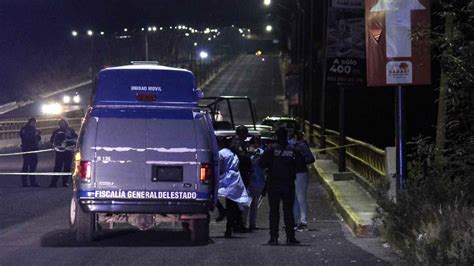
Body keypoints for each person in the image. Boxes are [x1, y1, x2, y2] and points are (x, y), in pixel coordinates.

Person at [261, 126, 304, 245]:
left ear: (276, 136)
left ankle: (273, 238)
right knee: (288, 211)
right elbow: (300, 165)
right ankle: (290, 237)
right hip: (288, 184)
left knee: (274, 211)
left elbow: (262, 163)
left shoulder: (270, 149)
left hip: (273, 183)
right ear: (286, 136)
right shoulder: (293, 150)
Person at [217, 136, 251, 238]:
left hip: (227, 179)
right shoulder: (233, 153)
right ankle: (230, 227)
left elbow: (219, 167)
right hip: (235, 179)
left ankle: (222, 211)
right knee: (232, 205)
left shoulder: (221, 153)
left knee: (211, 194)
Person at [290, 130, 315, 232]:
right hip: (294, 174)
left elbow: (311, 159)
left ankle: (303, 221)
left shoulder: (301, 146)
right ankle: (295, 221)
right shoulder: (296, 146)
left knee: (300, 198)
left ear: (295, 137)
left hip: (300, 173)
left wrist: (299, 161)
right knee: (295, 199)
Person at [49, 118, 77, 187]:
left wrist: (69, 142)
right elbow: (52, 140)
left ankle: (64, 182)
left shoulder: (71, 131)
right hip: (60, 152)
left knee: (67, 167)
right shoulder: (56, 131)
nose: (62, 124)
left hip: (68, 152)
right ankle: (54, 182)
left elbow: (76, 139)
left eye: (63, 123)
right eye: (61, 123)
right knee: (58, 167)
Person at [247, 136, 266, 231]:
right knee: (247, 202)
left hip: (258, 180)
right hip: (250, 180)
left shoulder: (261, 153)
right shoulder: (248, 152)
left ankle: (252, 223)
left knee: (254, 204)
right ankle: (244, 223)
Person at [19, 117, 41, 187]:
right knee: (29, 166)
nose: (35, 124)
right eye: (34, 123)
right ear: (32, 122)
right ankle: (28, 182)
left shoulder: (27, 129)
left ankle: (29, 182)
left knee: (30, 165)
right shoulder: (28, 129)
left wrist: (37, 135)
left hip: (30, 149)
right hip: (29, 149)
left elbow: (37, 139)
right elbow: (28, 139)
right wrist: (36, 134)